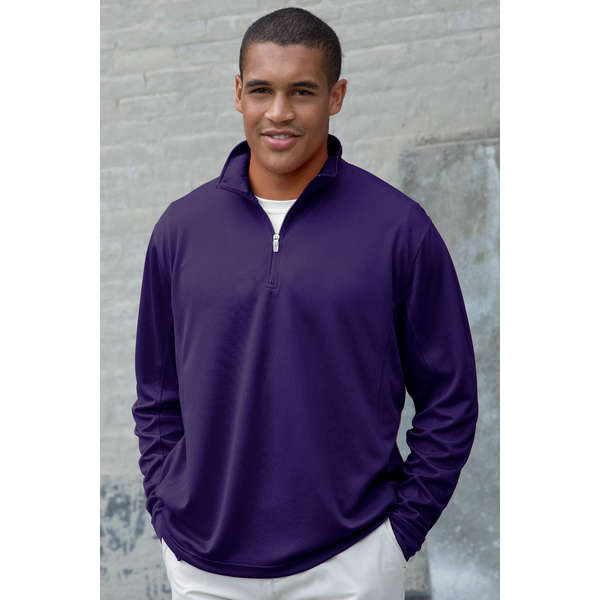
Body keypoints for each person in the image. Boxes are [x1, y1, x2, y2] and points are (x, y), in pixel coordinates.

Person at [132, 7, 478, 600]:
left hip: (351, 562)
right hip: (203, 565)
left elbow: (450, 397)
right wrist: (165, 509)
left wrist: (400, 533)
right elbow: (157, 395)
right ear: (237, 93)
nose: (279, 112)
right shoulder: (180, 230)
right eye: (261, 90)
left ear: (335, 96)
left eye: (302, 92)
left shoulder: (399, 230)